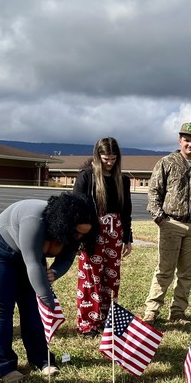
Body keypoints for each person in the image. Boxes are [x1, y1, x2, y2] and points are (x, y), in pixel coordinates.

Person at [0, 193, 96, 383]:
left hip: (27, 256)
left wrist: (55, 272)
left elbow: (67, 257)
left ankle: (41, 359)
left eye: (84, 234)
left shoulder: (74, 229)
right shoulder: (35, 220)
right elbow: (33, 263)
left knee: (31, 307)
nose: (79, 236)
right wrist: (49, 302)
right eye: (77, 232)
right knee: (2, 308)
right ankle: (3, 366)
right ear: (64, 224)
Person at [143, 122, 191, 323]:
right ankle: (152, 310)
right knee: (164, 270)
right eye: (186, 140)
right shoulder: (167, 162)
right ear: (180, 140)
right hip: (170, 223)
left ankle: (177, 312)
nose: (190, 144)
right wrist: (159, 217)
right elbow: (154, 191)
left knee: (186, 273)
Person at [72, 138, 133, 336]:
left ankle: (108, 321)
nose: (110, 162)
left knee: (111, 279)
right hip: (92, 233)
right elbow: (76, 207)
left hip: (115, 234)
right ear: (98, 156)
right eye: (106, 159)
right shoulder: (86, 177)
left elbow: (126, 212)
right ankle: (88, 323)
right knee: (91, 278)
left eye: (113, 159)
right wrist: (79, 236)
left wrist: (127, 238)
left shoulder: (122, 180)